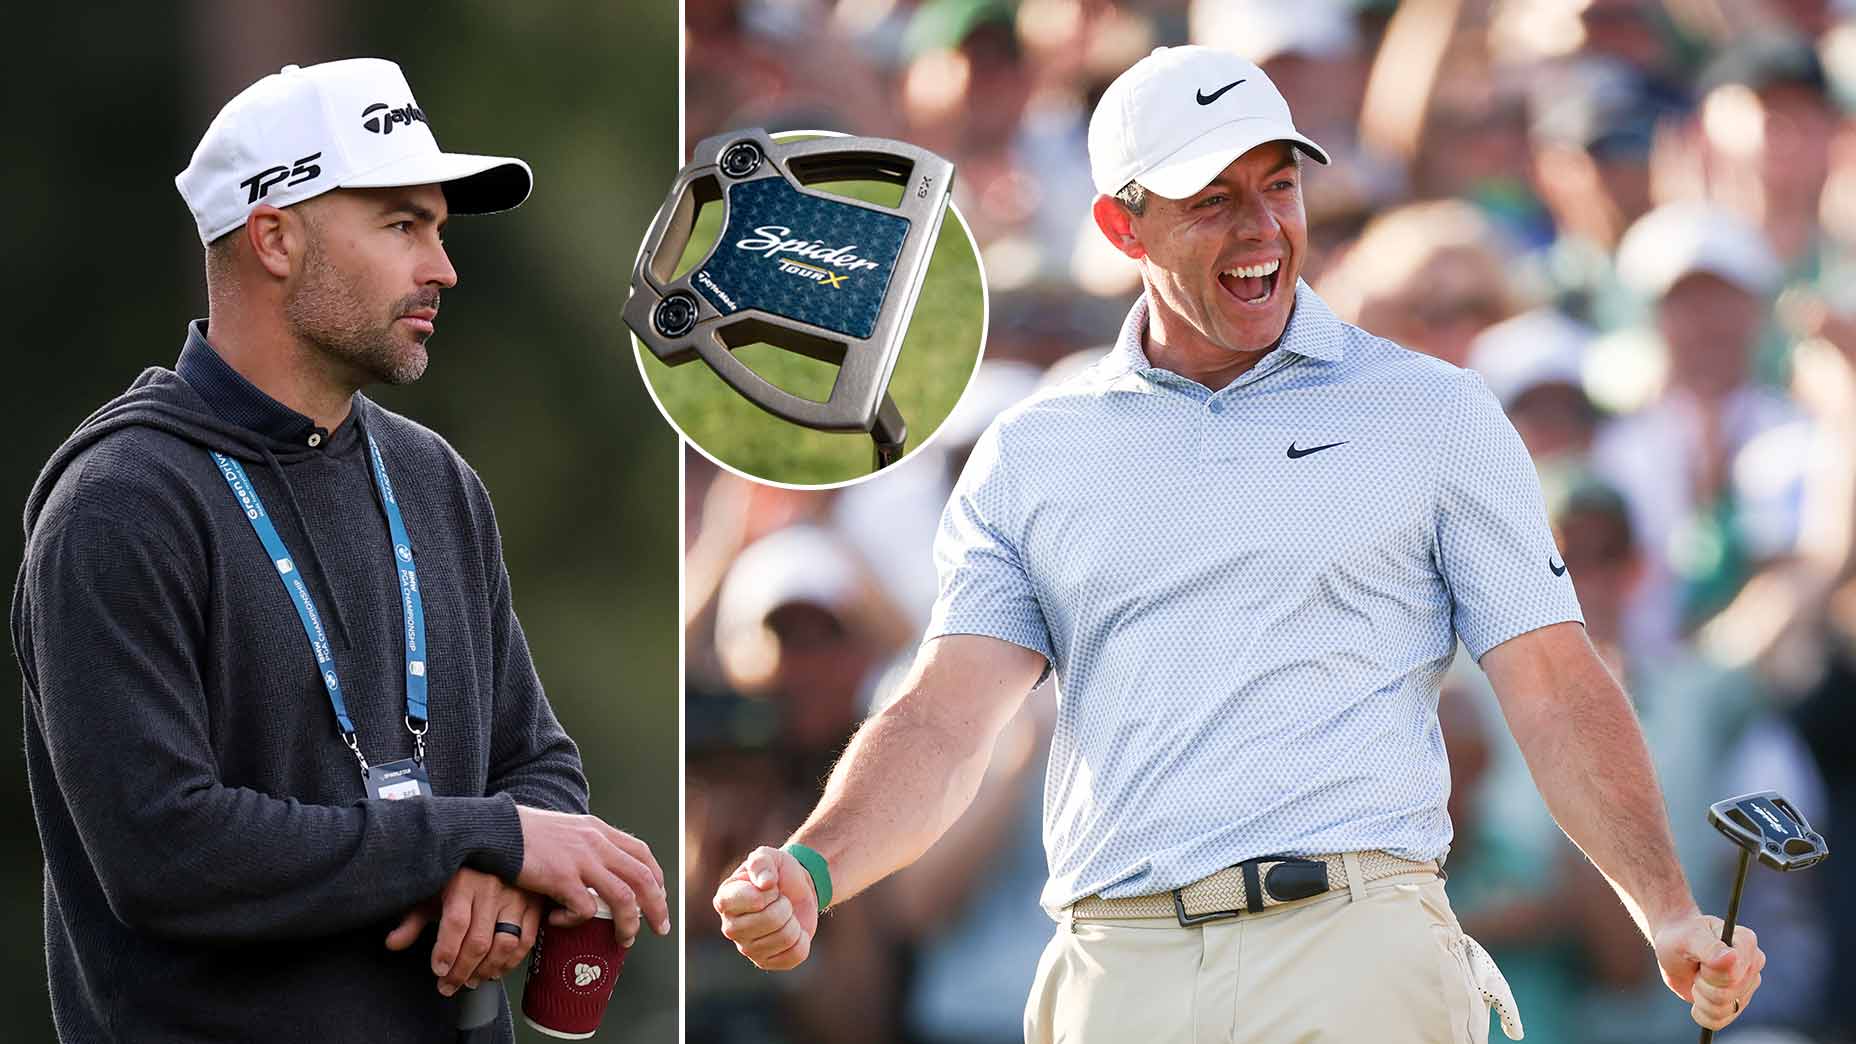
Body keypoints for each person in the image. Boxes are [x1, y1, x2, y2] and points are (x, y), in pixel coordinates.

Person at [713, 46, 1764, 1041]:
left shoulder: (1434, 412)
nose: (1261, 229)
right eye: (1211, 200)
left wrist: (1665, 907)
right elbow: (945, 719)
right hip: (1116, 964)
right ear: (1121, 228)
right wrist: (817, 865)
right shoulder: (1031, 453)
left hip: (1357, 944)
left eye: (1279, 186)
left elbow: (1552, 683)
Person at [11, 59, 667, 1043]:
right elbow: (165, 853)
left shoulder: (434, 477)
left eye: (438, 230)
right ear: (275, 238)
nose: (442, 268)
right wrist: (479, 837)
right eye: (403, 225)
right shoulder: (119, 505)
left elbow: (535, 762)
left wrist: (498, 870)